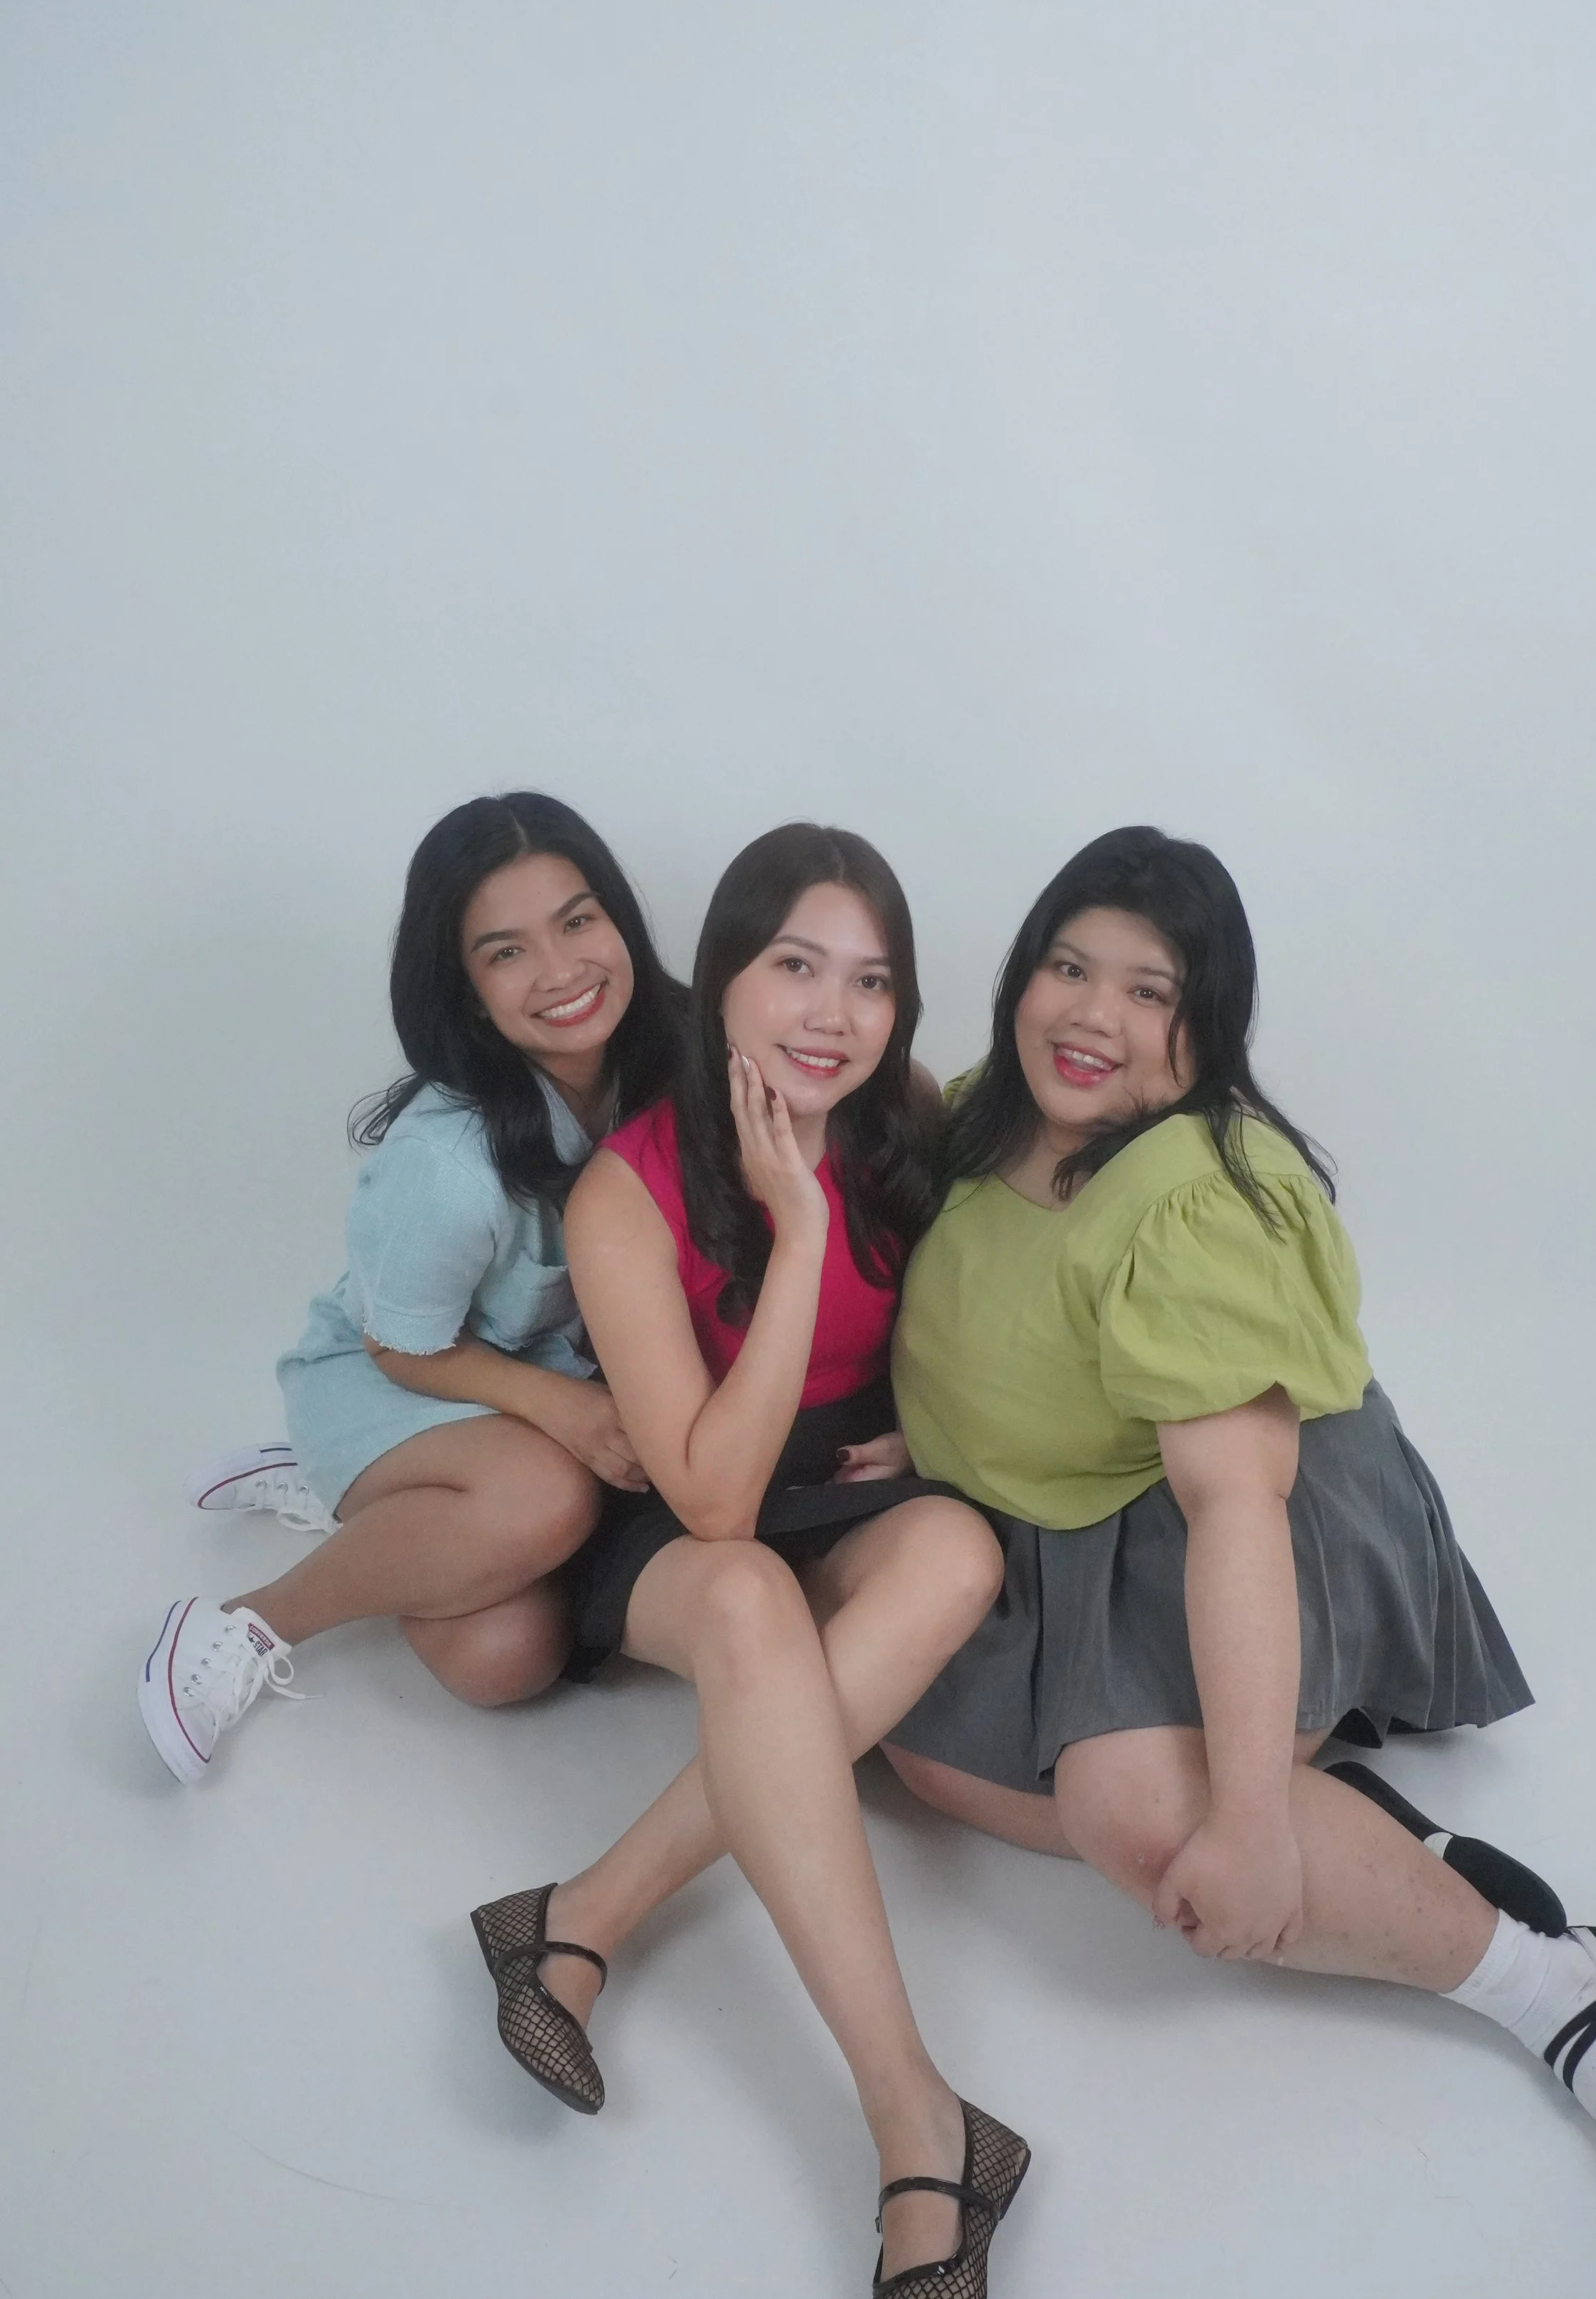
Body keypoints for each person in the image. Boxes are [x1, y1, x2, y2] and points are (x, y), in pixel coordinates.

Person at [881, 826, 1596, 2238]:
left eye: (1148, 990)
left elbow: (1233, 1505)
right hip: (1063, 1508)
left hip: (1244, 1512)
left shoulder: (1190, 1201)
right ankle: (1366, 1828)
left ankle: (1562, 1984)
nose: (1092, 1013)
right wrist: (938, 1428)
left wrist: (1255, 1825)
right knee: (921, 1756)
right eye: (1068, 967)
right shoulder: (984, 1115)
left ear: (1204, 1026)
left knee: (1147, 1822)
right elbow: (998, 1312)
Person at [469, 824, 1030, 2297]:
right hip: (688, 1509)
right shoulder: (626, 1190)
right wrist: (797, 1232)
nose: (832, 1015)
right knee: (744, 1593)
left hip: (844, 1485)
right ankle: (916, 2120)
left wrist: (931, 1429)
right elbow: (712, 1498)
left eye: (870, 981)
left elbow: (980, 1309)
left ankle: (583, 1914)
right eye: (795, 967)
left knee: (957, 1552)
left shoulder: (904, 1114)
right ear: (722, 976)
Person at [138, 792, 684, 1784]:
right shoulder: (450, 1162)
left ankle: (386, 1512)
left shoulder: (672, 1059)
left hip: (521, 1390)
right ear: (468, 991)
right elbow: (398, 1344)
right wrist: (565, 1410)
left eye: (577, 920)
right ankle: (250, 1619)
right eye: (507, 951)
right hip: (394, 1375)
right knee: (545, 1497)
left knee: (505, 1659)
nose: (561, 969)